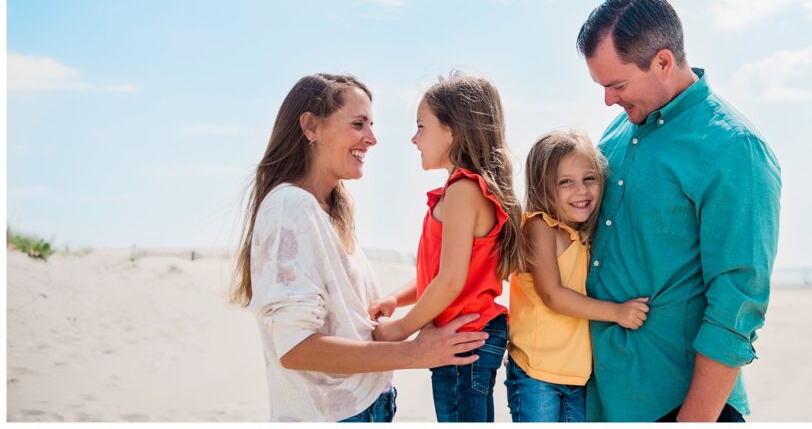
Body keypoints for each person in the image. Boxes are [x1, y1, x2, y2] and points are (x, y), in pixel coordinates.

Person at [231, 73, 488, 422]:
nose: (372, 139)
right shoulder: (289, 208)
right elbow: (295, 349)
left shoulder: (329, 210)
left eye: (371, 125)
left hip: (367, 408)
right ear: (310, 127)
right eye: (358, 124)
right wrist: (413, 353)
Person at [576, 0, 782, 423]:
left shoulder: (734, 148)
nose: (608, 100)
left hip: (679, 406)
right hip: (604, 400)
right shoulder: (618, 131)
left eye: (617, 84)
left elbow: (737, 305)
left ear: (664, 62)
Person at [368, 74, 527, 422]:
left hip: (461, 338)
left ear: (453, 132)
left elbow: (451, 281)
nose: (414, 138)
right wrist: (397, 298)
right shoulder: (469, 191)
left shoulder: (462, 192)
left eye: (421, 126)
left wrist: (401, 329)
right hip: (470, 334)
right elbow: (445, 274)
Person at [505, 130, 650, 423]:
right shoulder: (539, 227)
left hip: (577, 375)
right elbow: (552, 295)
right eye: (565, 182)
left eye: (589, 178)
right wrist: (616, 313)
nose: (581, 191)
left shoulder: (583, 236)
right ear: (542, 186)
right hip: (536, 372)